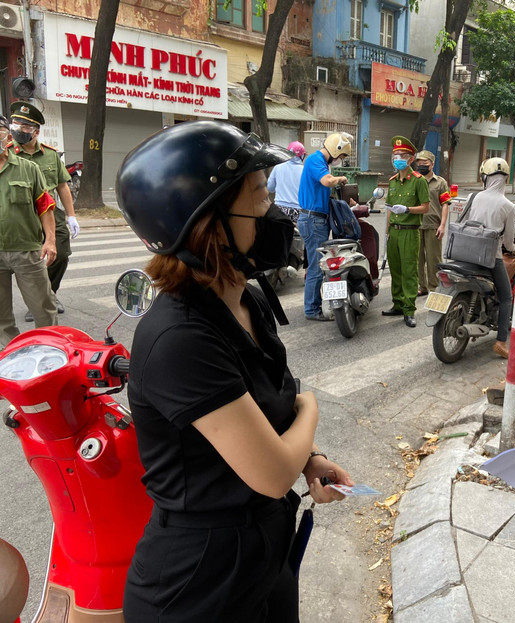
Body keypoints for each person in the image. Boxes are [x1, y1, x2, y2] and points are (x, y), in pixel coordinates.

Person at [116, 121, 353, 622]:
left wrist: (309, 457)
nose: (274, 214)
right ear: (205, 221)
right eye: (260, 198)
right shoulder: (180, 338)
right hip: (199, 584)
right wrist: (310, 408)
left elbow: (260, 412)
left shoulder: (243, 299)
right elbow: (270, 472)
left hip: (263, 556)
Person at [8, 102, 81, 321]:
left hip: (48, 209)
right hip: (19, 212)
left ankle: (50, 293)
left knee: (61, 253)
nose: (18, 128)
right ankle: (37, 301)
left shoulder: (50, 155)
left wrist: (71, 215)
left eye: (25, 125)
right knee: (29, 258)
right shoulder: (6, 152)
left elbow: (62, 185)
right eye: (16, 123)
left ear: (36, 131)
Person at [0, 115, 58, 349]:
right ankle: (10, 353)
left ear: (6, 136)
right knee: (1, 314)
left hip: (27, 250)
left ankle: (50, 350)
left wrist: (51, 241)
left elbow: (45, 206)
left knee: (42, 307)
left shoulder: (28, 168)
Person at [462, 157, 515, 359]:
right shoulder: (508, 205)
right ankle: (501, 341)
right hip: (489, 258)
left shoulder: (472, 197)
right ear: (505, 179)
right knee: (506, 297)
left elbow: (466, 223)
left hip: (464, 253)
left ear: (484, 177)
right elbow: (508, 244)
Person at [297, 133, 351, 321]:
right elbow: (327, 181)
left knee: (318, 264)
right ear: (336, 150)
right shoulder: (315, 160)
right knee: (316, 267)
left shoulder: (320, 162)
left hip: (316, 219)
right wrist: (341, 178)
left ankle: (314, 305)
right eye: (342, 156)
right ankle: (312, 309)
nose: (341, 160)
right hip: (313, 220)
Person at [382, 136, 430, 328]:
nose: (397, 159)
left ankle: (409, 310)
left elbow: (426, 207)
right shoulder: (392, 181)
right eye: (395, 155)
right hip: (394, 231)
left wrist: (408, 210)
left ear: (411, 159)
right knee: (395, 270)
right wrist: (387, 232)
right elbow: (389, 208)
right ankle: (398, 304)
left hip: (410, 232)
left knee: (409, 271)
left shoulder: (419, 181)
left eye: (402, 155)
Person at [413, 150, 451, 296]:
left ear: (432, 164)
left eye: (425, 163)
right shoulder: (415, 180)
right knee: (418, 259)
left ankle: (434, 287)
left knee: (433, 259)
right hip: (416, 224)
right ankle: (422, 286)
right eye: (419, 163)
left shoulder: (440, 182)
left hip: (433, 226)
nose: (421, 166)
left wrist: (442, 225)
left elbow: (445, 204)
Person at [268, 140, 305, 222]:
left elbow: (270, 188)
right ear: (302, 156)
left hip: (279, 208)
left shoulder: (278, 167)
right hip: (298, 210)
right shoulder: (304, 171)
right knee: (296, 234)